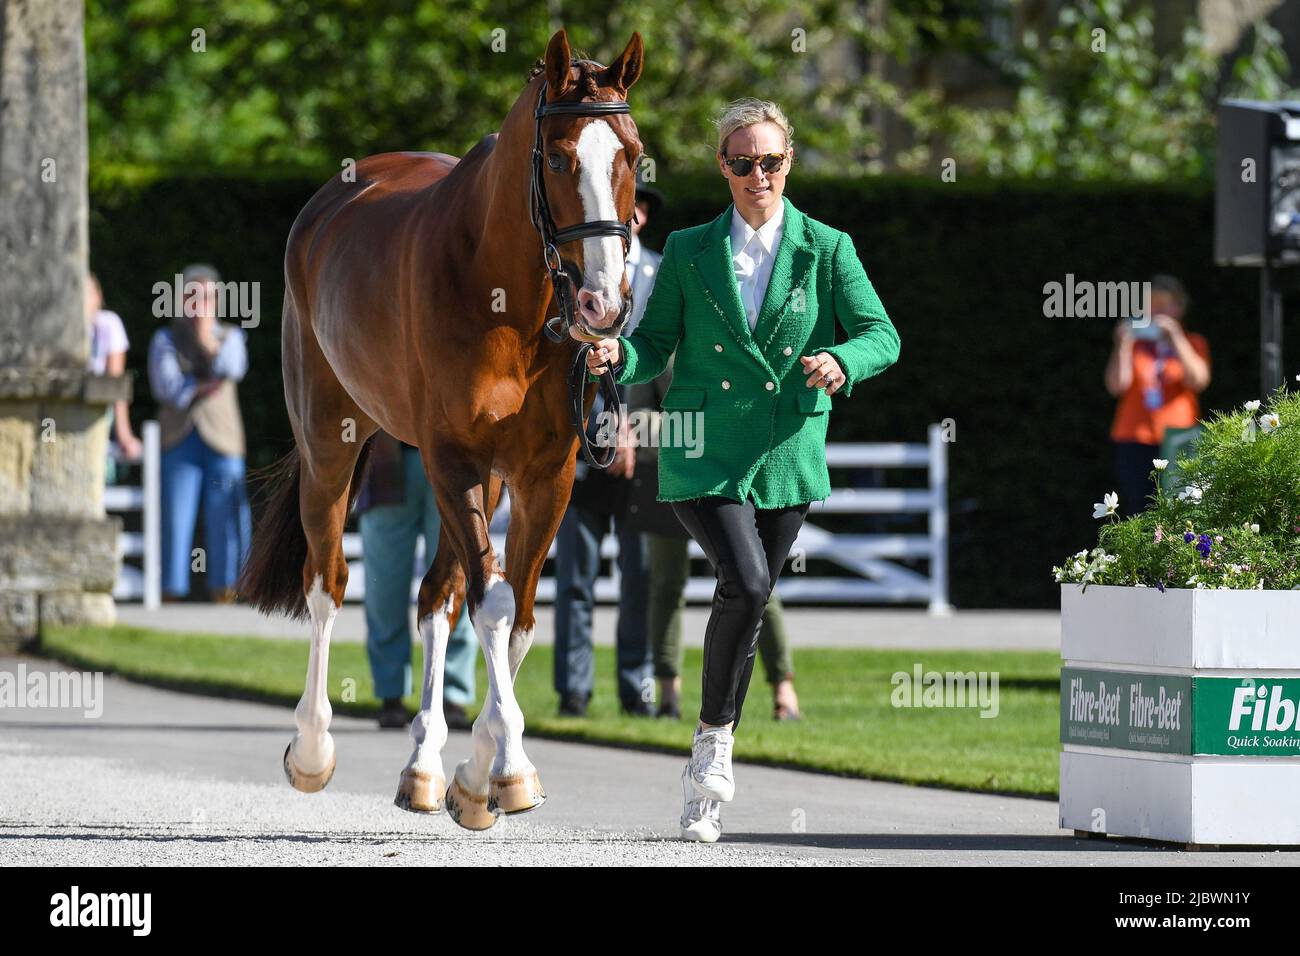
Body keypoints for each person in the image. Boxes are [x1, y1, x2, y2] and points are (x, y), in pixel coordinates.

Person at [580, 98, 900, 842]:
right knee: (749, 583)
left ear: (789, 162)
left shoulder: (828, 246)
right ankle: (715, 750)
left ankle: (705, 774)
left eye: (772, 161)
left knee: (748, 598)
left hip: (786, 449)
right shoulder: (691, 249)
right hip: (703, 449)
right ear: (722, 166)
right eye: (742, 161)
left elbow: (882, 334)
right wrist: (613, 355)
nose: (758, 174)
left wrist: (842, 360)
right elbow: (654, 345)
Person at [552, 171, 661, 718]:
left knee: (639, 576)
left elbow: (670, 363)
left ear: (640, 218)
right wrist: (602, 425)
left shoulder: (665, 275)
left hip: (645, 454)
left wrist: (638, 432)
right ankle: (573, 690)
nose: (628, 217)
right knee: (575, 575)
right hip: (583, 444)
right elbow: (566, 363)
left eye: (635, 209)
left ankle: (636, 687)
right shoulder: (574, 279)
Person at [353, 431, 478, 730]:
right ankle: (390, 693)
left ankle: (453, 695)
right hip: (385, 462)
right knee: (384, 591)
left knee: (455, 582)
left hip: (451, 458)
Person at [147, 263, 252, 603]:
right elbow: (170, 390)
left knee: (228, 517)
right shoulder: (164, 339)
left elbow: (231, 368)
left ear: (217, 302)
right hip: (178, 441)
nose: (198, 305)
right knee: (176, 518)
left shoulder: (232, 337)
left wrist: (205, 339)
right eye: (192, 297)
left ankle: (228, 589)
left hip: (223, 440)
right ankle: (171, 592)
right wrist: (203, 385)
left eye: (205, 298)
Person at [1105, 275, 1210, 518]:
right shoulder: (1134, 345)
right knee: (1139, 510)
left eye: (1164, 305)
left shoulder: (1193, 342)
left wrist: (1175, 337)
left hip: (1180, 437)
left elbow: (1198, 380)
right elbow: (1116, 385)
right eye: (1150, 305)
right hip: (1135, 437)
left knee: (1182, 509)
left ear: (1179, 308)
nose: (1156, 312)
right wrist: (1122, 344)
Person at [85, 273, 142, 484]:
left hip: (99, 414)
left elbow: (115, 384)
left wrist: (123, 433)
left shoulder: (109, 324)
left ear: (98, 296)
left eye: (88, 291)